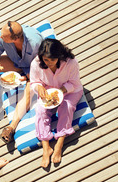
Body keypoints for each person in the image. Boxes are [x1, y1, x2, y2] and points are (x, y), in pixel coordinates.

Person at [0, 21, 43, 143]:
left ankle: (12, 126)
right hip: (16, 63)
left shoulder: (36, 42)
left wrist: (28, 78)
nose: (0, 36)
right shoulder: (2, 35)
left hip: (34, 69)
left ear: (15, 39)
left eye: (4, 36)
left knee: (29, 90)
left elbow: (44, 65)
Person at [30, 39, 83, 168]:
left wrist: (60, 92)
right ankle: (46, 147)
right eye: (46, 60)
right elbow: (34, 83)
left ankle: (59, 143)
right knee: (40, 110)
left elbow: (75, 83)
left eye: (52, 60)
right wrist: (39, 88)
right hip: (49, 90)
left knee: (66, 107)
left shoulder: (70, 62)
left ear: (59, 56)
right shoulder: (36, 63)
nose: (48, 64)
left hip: (70, 91)